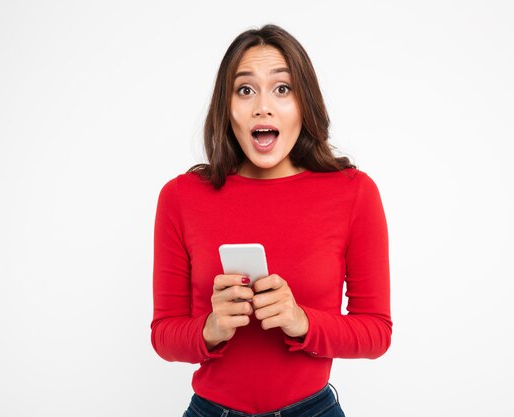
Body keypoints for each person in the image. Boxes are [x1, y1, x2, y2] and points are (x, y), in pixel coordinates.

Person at [151, 24, 392, 417]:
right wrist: (211, 328)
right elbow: (164, 336)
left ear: (304, 104)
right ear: (227, 107)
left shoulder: (353, 193)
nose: (263, 106)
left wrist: (301, 322)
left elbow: (376, 332)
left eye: (282, 89)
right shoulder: (181, 197)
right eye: (245, 90)